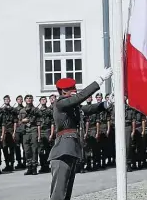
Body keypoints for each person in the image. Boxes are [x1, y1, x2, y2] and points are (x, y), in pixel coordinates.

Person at [48, 67, 113, 200]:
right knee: (59, 194)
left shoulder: (71, 108)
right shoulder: (60, 103)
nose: (75, 92)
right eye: (72, 90)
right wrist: (100, 80)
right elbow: (80, 98)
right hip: (63, 151)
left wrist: (107, 104)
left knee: (66, 192)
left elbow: (88, 108)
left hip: (71, 150)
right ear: (64, 91)